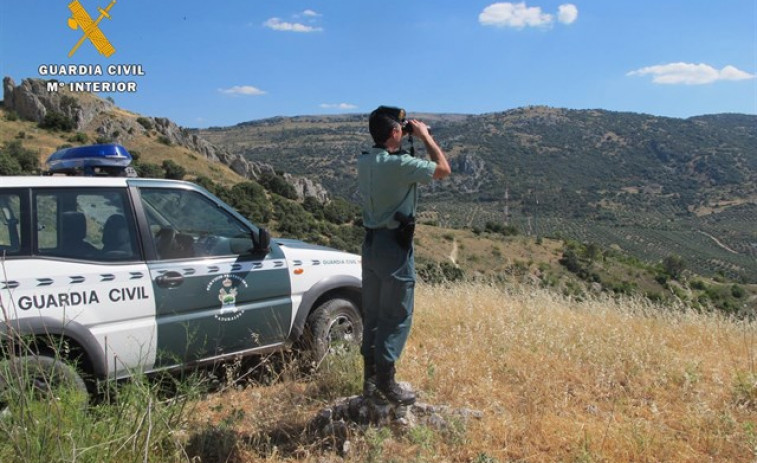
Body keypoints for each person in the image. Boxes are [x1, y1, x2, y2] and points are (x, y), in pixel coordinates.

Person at [358, 106, 451, 405]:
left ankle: (369, 381)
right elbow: (442, 169)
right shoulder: (400, 166)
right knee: (396, 314)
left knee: (372, 314)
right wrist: (424, 137)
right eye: (400, 128)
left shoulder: (366, 161)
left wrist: (402, 134)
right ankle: (387, 382)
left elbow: (389, 153)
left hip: (370, 245)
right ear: (395, 133)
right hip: (393, 247)